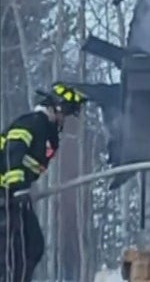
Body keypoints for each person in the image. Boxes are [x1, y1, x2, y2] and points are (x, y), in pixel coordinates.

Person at [1, 82, 88, 282]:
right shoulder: (33, 123)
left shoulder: (45, 130)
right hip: (6, 195)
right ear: (55, 107)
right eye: (65, 113)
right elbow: (13, 150)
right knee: (14, 250)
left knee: (33, 245)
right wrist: (18, 187)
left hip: (14, 196)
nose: (64, 120)